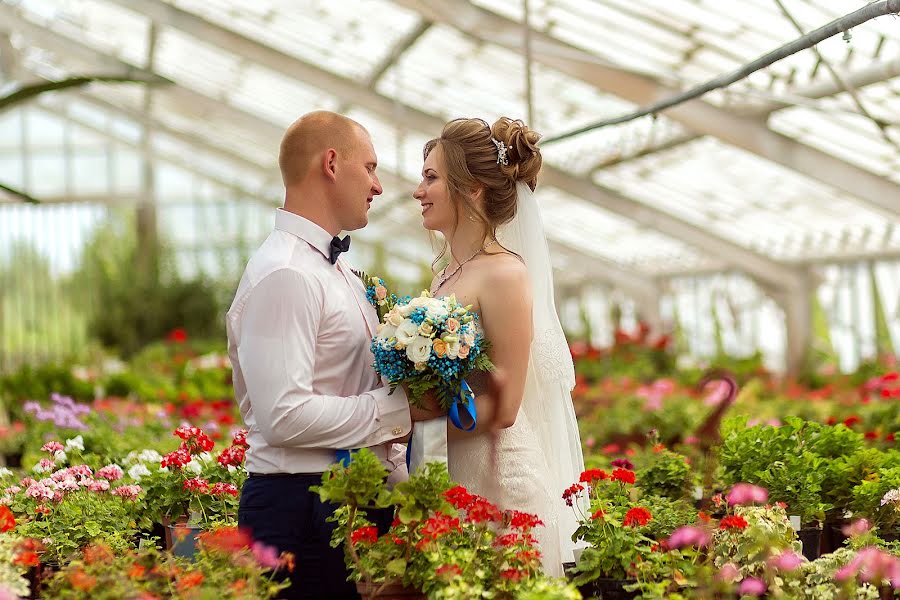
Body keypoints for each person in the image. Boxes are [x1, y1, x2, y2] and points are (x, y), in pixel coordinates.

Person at [227, 111, 440, 599]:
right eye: (369, 168)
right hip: (298, 507)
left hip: (346, 495)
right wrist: (401, 409)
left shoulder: (338, 271)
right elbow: (284, 415)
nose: (379, 186)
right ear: (330, 163)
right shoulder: (286, 273)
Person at [412, 116, 585, 576]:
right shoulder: (447, 273)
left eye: (431, 178)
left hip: (497, 480)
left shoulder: (505, 273)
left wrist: (409, 422)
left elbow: (506, 408)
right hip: (449, 469)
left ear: (471, 189)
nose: (417, 190)